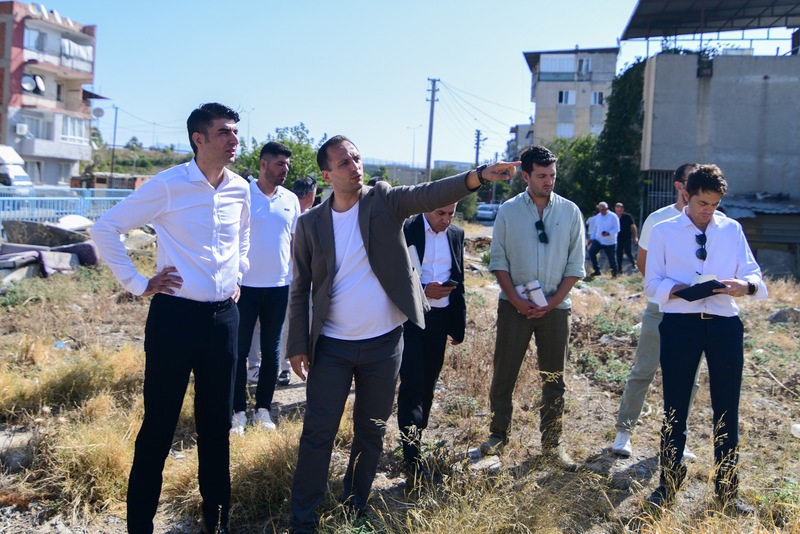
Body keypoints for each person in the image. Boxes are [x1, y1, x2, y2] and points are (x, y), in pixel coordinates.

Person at [286, 135, 517, 531]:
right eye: (344, 162)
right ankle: (303, 519)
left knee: (371, 432)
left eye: (357, 158)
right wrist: (296, 344)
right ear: (327, 175)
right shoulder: (310, 223)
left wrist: (478, 176)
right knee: (318, 433)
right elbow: (300, 286)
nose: (355, 166)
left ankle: (355, 506)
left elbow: (430, 193)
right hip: (332, 347)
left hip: (384, 345)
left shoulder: (384, 201)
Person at [91, 103, 248, 534]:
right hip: (175, 319)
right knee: (159, 425)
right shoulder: (168, 185)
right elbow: (105, 228)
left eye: (236, 132)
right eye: (224, 132)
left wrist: (238, 273)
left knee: (216, 427)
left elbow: (244, 236)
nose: (234, 140)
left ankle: (215, 521)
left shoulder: (240, 188)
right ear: (199, 139)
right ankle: (140, 525)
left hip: (224, 320)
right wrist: (138, 283)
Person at [643, 164, 767, 514]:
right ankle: (668, 486)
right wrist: (683, 290)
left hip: (724, 325)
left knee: (727, 407)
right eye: (702, 203)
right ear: (686, 195)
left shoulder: (732, 229)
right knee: (675, 407)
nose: (708, 210)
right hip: (680, 326)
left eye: (714, 204)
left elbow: (755, 276)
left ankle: (728, 492)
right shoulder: (664, 231)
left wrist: (744, 286)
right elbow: (651, 284)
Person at [480, 145, 585, 469]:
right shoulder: (509, 211)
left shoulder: (570, 212)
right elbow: (498, 260)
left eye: (552, 175)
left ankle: (552, 444)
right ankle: (498, 435)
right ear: (525, 176)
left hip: (556, 308)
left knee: (554, 379)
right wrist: (515, 299)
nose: (548, 181)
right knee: (505, 374)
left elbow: (575, 265)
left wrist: (553, 302)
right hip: (515, 308)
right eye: (541, 176)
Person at [612, 163, 703, 460]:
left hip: (695, 314)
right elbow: (643, 263)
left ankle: (678, 438)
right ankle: (624, 432)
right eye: (692, 181)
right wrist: (667, 291)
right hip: (660, 310)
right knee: (644, 371)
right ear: (679, 185)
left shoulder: (710, 220)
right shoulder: (659, 219)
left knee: (689, 379)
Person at [232, 142, 300, 434]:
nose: (285, 170)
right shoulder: (243, 194)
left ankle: (263, 409)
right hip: (245, 286)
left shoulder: (291, 199)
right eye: (279, 164)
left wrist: (298, 278)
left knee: (272, 351)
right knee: (239, 350)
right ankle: (237, 411)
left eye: (287, 165)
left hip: (278, 286)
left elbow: (294, 242)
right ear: (263, 164)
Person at [397, 202, 466, 484]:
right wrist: (424, 290)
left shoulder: (457, 234)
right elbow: (394, 274)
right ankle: (411, 457)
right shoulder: (407, 228)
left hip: (440, 319)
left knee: (428, 383)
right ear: (427, 207)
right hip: (411, 318)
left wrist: (457, 324)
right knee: (412, 384)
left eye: (451, 214)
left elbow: (460, 276)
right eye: (440, 213)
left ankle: (417, 435)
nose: (446, 219)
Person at [587, 201, 620, 277]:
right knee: (591, 252)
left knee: (612, 259)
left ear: (607, 208)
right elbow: (595, 228)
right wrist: (591, 238)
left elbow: (617, 228)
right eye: (600, 209)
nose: (601, 211)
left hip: (610, 242)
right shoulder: (598, 216)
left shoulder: (613, 216)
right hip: (598, 240)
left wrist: (609, 233)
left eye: (603, 210)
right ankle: (597, 270)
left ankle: (615, 274)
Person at [614, 202, 638, 273]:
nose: (618, 212)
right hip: (618, 237)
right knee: (619, 252)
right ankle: (619, 269)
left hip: (627, 237)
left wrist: (635, 237)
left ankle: (633, 263)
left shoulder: (627, 216)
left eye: (619, 210)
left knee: (627, 251)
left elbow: (633, 226)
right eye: (616, 211)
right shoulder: (614, 217)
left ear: (622, 209)